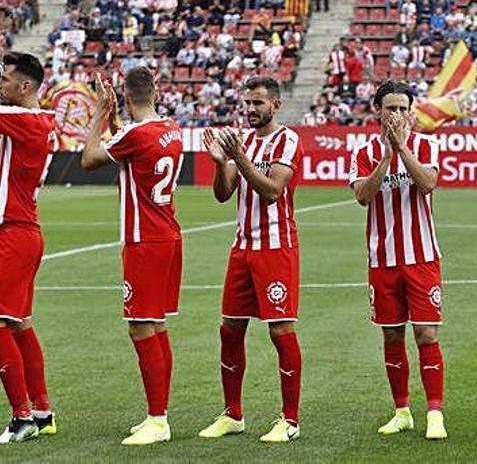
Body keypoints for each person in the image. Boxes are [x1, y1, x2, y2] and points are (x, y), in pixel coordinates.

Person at [197, 76, 304, 443]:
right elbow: (223, 194)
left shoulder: (287, 140)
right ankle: (233, 414)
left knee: (280, 331)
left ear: (275, 105)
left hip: (276, 248)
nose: (251, 109)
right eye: (248, 103)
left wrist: (237, 156)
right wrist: (218, 163)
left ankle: (290, 420)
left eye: (258, 103)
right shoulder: (242, 143)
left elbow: (273, 190)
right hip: (242, 247)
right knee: (229, 329)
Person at [82, 67, 184, 445]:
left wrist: (98, 113)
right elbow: (128, 140)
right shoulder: (170, 128)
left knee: (141, 326)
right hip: (169, 234)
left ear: (125, 97)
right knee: (156, 325)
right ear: (155, 92)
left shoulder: (134, 135)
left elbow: (89, 158)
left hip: (144, 240)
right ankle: (159, 415)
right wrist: (114, 115)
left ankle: (158, 420)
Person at [348, 80, 447, 440]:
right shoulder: (362, 152)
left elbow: (427, 183)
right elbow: (363, 195)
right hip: (383, 259)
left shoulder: (426, 145)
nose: (398, 115)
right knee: (391, 334)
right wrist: (387, 156)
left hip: (421, 257)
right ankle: (402, 410)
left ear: (412, 111)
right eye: (391, 108)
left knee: (425, 333)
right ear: (378, 111)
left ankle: (434, 411)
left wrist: (402, 149)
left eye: (404, 108)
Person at [0, 51, 57, 443]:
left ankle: (22, 418)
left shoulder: (25, 120)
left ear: (25, 87)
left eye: (4, 80)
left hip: (14, 232)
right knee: (20, 323)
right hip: (23, 230)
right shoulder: (34, 121)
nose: (0, 86)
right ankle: (42, 410)